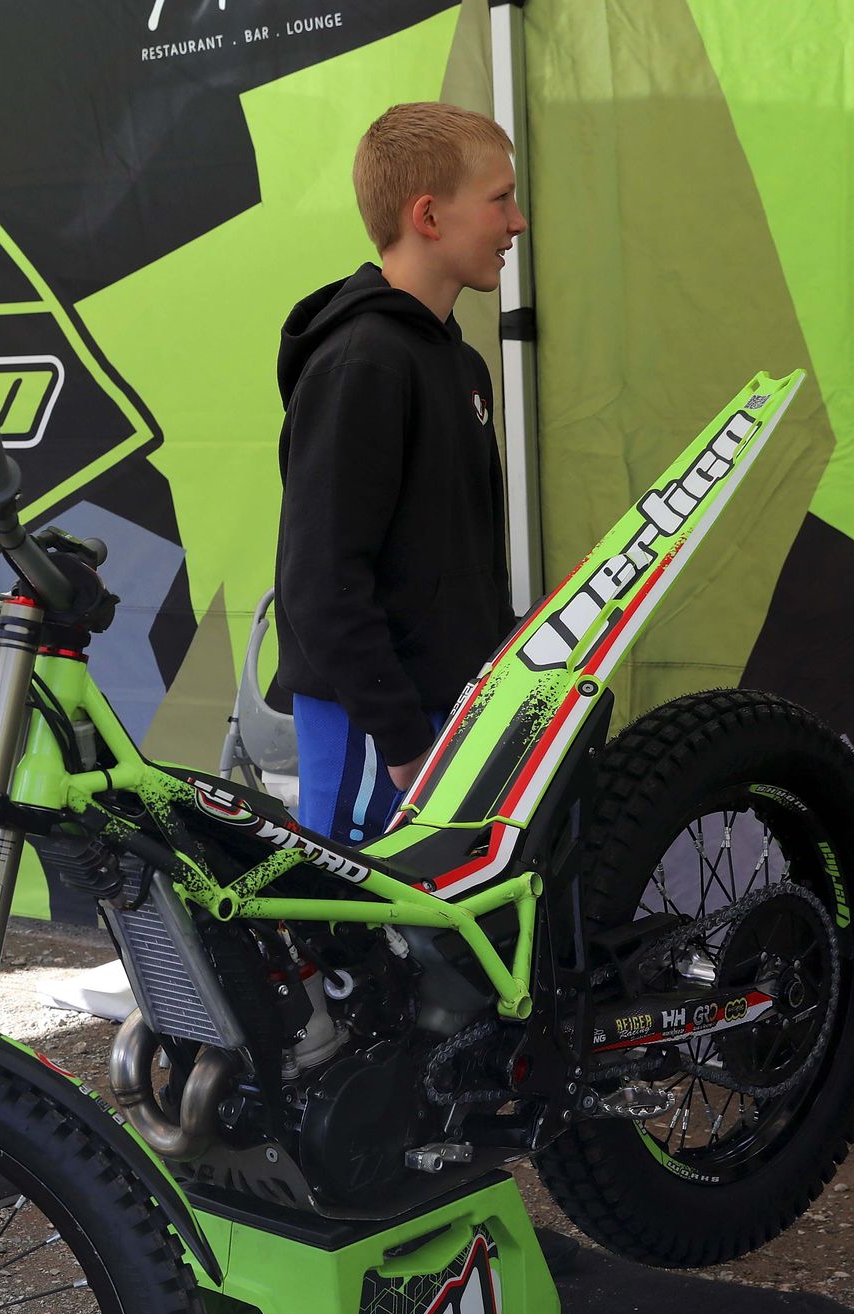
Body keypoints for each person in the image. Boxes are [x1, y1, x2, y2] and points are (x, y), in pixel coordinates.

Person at [271, 102, 526, 845]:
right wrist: (404, 741)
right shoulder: (363, 362)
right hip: (378, 729)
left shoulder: (462, 364)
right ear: (429, 216)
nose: (517, 223)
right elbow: (319, 582)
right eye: (500, 199)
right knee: (352, 915)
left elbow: (470, 566)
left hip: (448, 720)